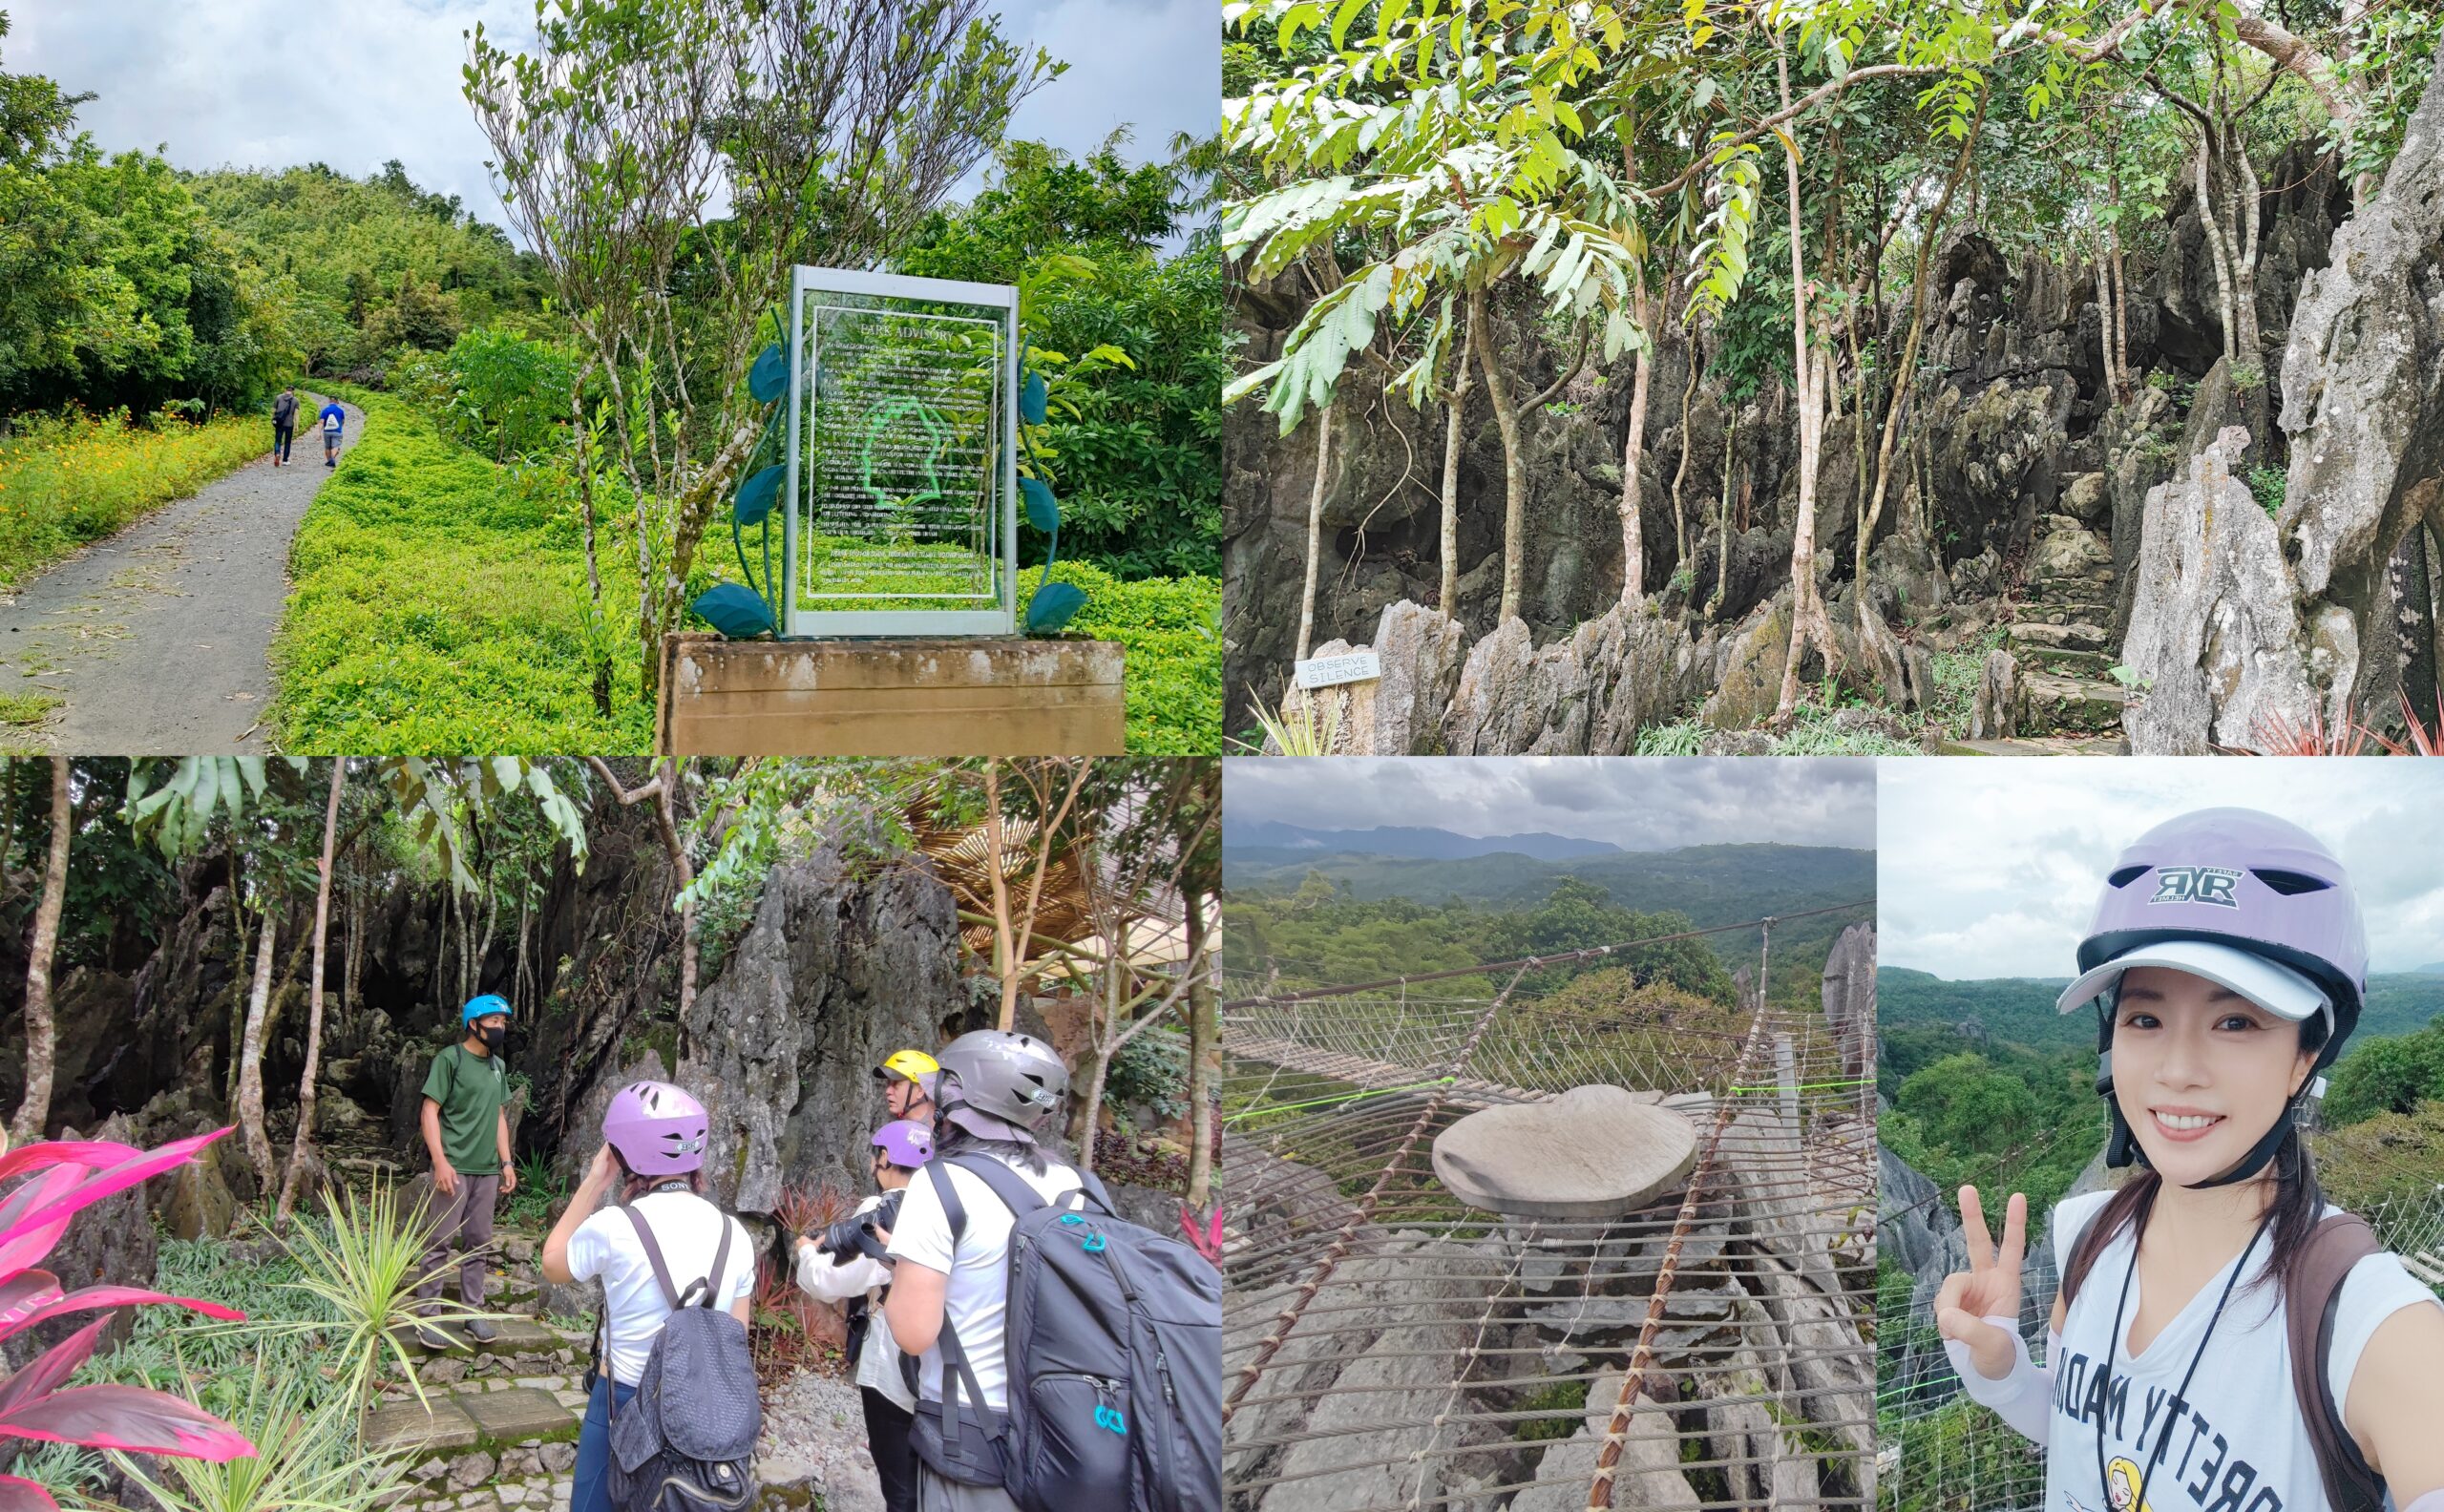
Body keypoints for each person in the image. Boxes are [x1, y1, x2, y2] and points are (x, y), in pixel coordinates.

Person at [1936, 808, 2444, 1512]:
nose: (2176, 1070)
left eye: (2235, 1021)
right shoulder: (2088, 1236)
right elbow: (2089, 1439)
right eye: (2144, 1018)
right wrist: (2005, 1375)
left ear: (2307, 1055)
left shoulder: (2367, 1324)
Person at [885, 1030, 1082, 1512]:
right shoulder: (1071, 1183)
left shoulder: (943, 1183)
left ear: (957, 1094)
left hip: (973, 1432)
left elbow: (912, 1333)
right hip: (1060, 1423)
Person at [543, 1081, 753, 1512]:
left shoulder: (615, 1226)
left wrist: (595, 1179)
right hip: (705, 1412)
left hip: (623, 1402)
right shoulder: (737, 1236)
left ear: (624, 1156)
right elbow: (736, 1336)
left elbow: (553, 1263)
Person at [794, 1121, 933, 1512]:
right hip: (944, 1362)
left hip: (894, 1366)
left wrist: (806, 1251)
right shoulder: (947, 1207)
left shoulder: (881, 1210)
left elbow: (829, 1281)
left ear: (884, 1158)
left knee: (900, 1484)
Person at [416, 994, 517, 1349]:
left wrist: (506, 1162)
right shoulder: (450, 1059)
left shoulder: (497, 1067)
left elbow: (499, 1117)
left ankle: (473, 1312)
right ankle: (427, 1317)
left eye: (503, 1023)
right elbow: (430, 1111)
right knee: (439, 1243)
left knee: (478, 1244)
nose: (500, 1028)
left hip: (487, 1171)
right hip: (454, 1168)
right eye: (494, 1022)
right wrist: (440, 1161)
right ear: (473, 1024)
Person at [875, 1048, 938, 1125]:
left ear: (920, 1091)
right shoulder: (901, 1128)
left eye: (896, 1084)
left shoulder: (940, 1133)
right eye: (889, 1083)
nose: (888, 1091)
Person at [270, 387, 297, 466]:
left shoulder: (278, 397)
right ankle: (285, 460)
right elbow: (296, 414)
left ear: (285, 390)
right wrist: (296, 425)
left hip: (279, 423)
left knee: (278, 440)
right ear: (293, 391)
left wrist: (273, 420)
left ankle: (277, 454)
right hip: (289, 424)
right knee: (287, 442)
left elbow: (273, 410)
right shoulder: (295, 400)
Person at [318, 398, 347, 467]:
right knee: (335, 446)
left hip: (327, 431)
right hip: (337, 431)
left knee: (327, 447)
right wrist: (340, 427)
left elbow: (321, 422)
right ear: (337, 401)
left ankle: (329, 461)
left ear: (329, 401)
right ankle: (332, 459)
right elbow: (343, 421)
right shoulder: (340, 410)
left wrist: (319, 432)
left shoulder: (324, 410)